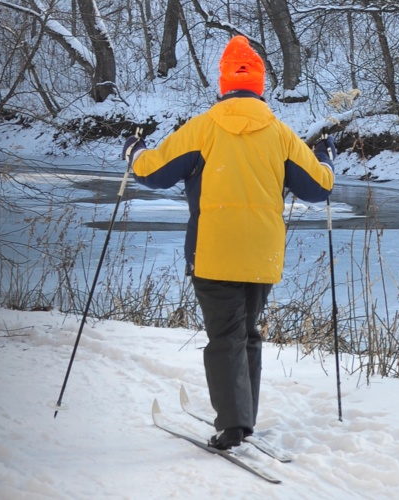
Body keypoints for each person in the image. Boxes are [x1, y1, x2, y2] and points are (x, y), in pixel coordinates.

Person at [122, 35, 335, 450]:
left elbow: (152, 173)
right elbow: (319, 188)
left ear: (223, 84)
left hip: (213, 251)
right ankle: (243, 416)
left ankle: (233, 427)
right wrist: (326, 155)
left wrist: (133, 149)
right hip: (262, 253)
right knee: (247, 332)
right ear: (259, 85)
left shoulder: (201, 129)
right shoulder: (281, 134)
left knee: (225, 336)